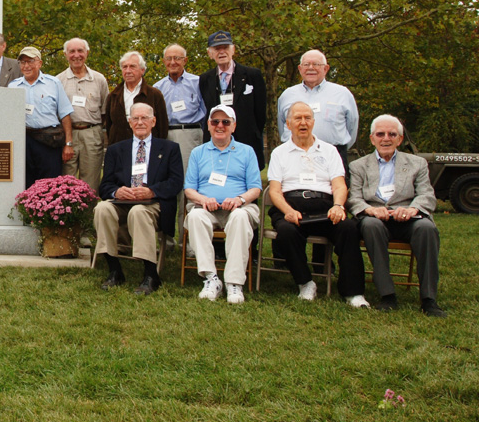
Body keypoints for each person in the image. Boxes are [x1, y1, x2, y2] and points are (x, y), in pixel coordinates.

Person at [267, 102, 369, 307]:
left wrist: (338, 206)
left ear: (313, 122)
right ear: (288, 123)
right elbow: (274, 191)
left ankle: (353, 293)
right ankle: (305, 283)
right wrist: (288, 211)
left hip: (325, 205)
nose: (303, 123)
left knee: (349, 228)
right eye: (297, 118)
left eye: (307, 118)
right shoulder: (279, 153)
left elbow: (339, 186)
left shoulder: (330, 151)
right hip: (291, 204)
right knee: (286, 231)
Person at [348, 114, 446, 317]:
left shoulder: (417, 163)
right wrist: (371, 210)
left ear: (400, 139)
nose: (386, 138)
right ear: (372, 138)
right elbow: (353, 199)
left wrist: (412, 210)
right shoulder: (358, 166)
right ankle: (387, 295)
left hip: (407, 217)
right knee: (370, 226)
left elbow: (427, 195)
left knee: (427, 228)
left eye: (392, 134)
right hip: (375, 217)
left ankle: (429, 299)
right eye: (380, 134)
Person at [94, 103, 183, 295]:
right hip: (122, 203)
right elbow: (105, 185)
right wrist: (117, 192)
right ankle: (114, 269)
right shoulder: (116, 150)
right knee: (102, 209)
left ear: (153, 121)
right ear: (129, 122)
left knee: (139, 211)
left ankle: (151, 274)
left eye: (144, 118)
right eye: (135, 118)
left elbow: (175, 183)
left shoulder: (169, 149)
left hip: (153, 204)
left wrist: (152, 191)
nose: (140, 122)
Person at [183, 105, 263, 304]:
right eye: (215, 122)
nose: (220, 126)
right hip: (206, 208)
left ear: (233, 126)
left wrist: (239, 199)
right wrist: (202, 199)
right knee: (194, 216)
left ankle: (234, 283)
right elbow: (189, 189)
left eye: (225, 122)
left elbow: (256, 188)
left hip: (239, 207)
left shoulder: (247, 151)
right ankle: (211, 279)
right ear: (208, 126)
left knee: (240, 217)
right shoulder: (198, 153)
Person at [154, 43, 207, 243]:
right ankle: (165, 236)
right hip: (165, 137)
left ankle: (188, 237)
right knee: (165, 184)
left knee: (187, 186)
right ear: (164, 62)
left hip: (190, 134)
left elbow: (206, 110)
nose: (173, 62)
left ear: (185, 60)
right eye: (169, 58)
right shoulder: (158, 87)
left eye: (177, 58)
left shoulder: (198, 82)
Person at [277, 49, 358, 170]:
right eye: (306, 64)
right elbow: (282, 124)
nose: (311, 68)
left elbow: (352, 127)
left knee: (337, 188)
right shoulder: (287, 95)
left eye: (316, 64)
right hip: (294, 155)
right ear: (300, 68)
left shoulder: (342, 93)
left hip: (334, 155)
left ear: (325, 68)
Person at [198, 31, 266, 169]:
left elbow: (261, 113)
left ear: (233, 49)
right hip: (216, 143)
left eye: (225, 47)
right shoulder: (205, 79)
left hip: (247, 142)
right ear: (210, 53)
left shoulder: (252, 75)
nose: (222, 52)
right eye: (217, 49)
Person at [8, 46, 75, 188]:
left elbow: (65, 115)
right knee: (25, 183)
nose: (26, 66)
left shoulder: (53, 83)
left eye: (30, 61)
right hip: (24, 142)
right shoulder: (13, 87)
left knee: (50, 186)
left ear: (40, 63)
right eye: (23, 62)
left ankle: (47, 211)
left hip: (49, 141)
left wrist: (68, 144)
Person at [57, 37, 109, 190]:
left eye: (80, 50)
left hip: (92, 134)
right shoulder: (58, 81)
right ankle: (69, 214)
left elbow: (105, 111)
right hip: (67, 136)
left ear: (87, 53)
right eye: (71, 51)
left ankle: (89, 214)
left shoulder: (99, 79)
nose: (76, 55)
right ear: (65, 54)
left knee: (91, 182)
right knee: (67, 182)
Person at [104, 51, 169, 145]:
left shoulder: (154, 94)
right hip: (119, 148)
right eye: (125, 67)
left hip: (148, 147)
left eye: (132, 66)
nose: (128, 71)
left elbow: (162, 126)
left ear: (142, 70)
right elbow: (110, 126)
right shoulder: (113, 96)